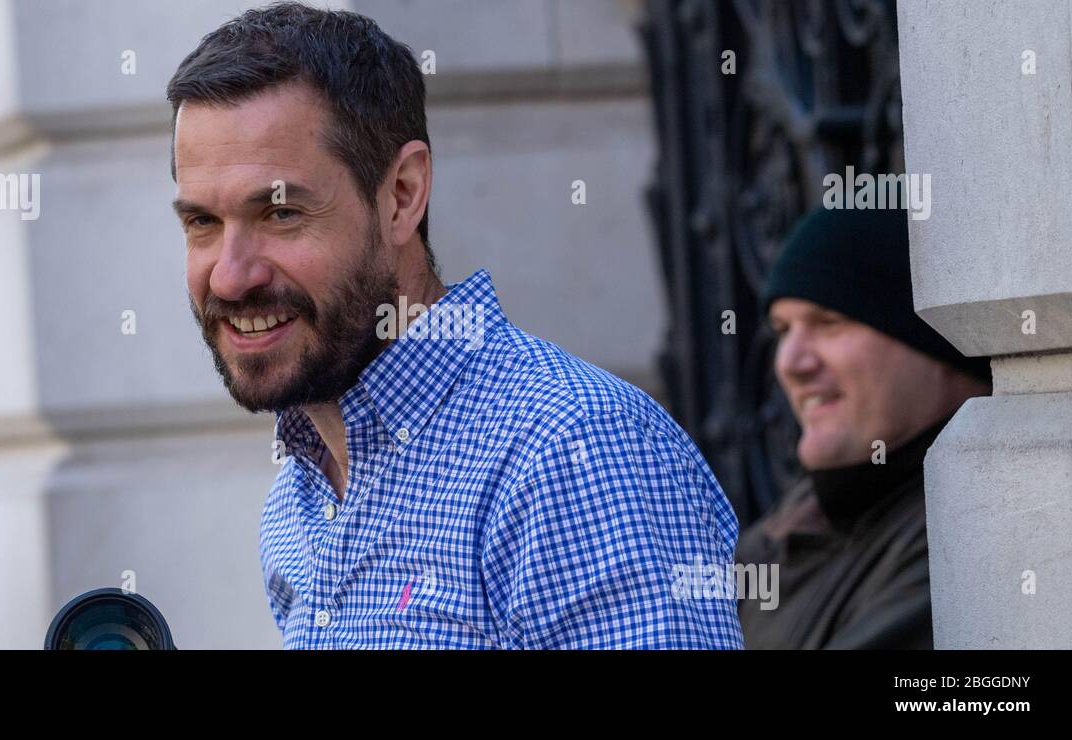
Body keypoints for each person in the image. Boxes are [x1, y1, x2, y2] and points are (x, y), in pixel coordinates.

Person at [168, 2, 742, 648]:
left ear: (403, 195)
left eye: (280, 215)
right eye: (202, 224)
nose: (229, 277)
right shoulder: (297, 498)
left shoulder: (573, 452)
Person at [738, 205, 991, 649]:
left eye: (829, 324)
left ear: (934, 345)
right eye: (782, 329)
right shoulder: (801, 517)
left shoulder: (975, 527)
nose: (790, 363)